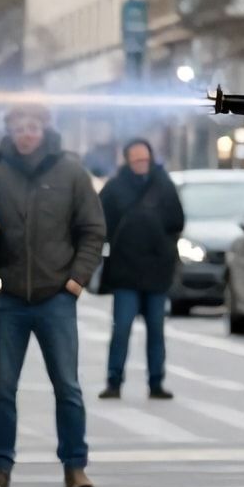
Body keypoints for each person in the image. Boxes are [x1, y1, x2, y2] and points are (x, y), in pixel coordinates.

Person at [0, 104, 104, 487]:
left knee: (67, 386)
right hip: (9, 298)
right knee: (3, 388)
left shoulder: (71, 173)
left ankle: (75, 466)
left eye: (33, 127)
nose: (26, 134)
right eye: (19, 127)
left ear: (45, 129)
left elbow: (92, 230)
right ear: (10, 131)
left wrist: (76, 280)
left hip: (56, 298)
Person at [98, 139, 184, 401]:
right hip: (125, 272)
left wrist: (165, 249)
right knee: (121, 329)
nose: (141, 164)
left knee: (156, 331)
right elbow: (100, 223)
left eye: (144, 159)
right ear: (127, 160)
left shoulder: (164, 185)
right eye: (136, 160)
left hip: (157, 272)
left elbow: (177, 222)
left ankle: (156, 382)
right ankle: (114, 381)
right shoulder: (115, 188)